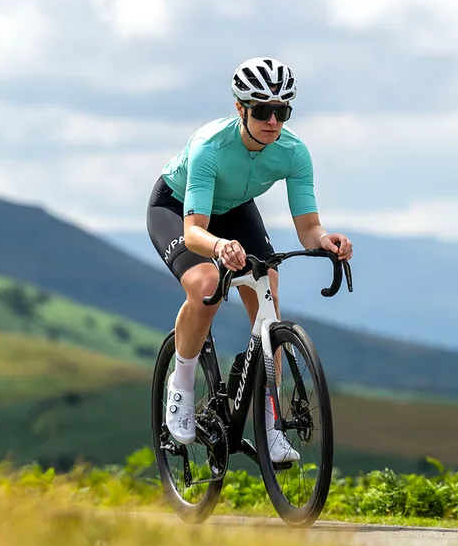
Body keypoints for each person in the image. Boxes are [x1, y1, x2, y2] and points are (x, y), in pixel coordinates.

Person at [144, 57, 354, 463]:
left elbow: (308, 226)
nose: (272, 121)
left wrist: (326, 241)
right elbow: (193, 232)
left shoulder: (294, 153)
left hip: (235, 208)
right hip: (178, 208)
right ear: (240, 109)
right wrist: (220, 247)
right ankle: (182, 385)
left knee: (267, 286)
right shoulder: (211, 146)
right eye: (262, 110)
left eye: (281, 111)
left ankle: (270, 422)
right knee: (207, 286)